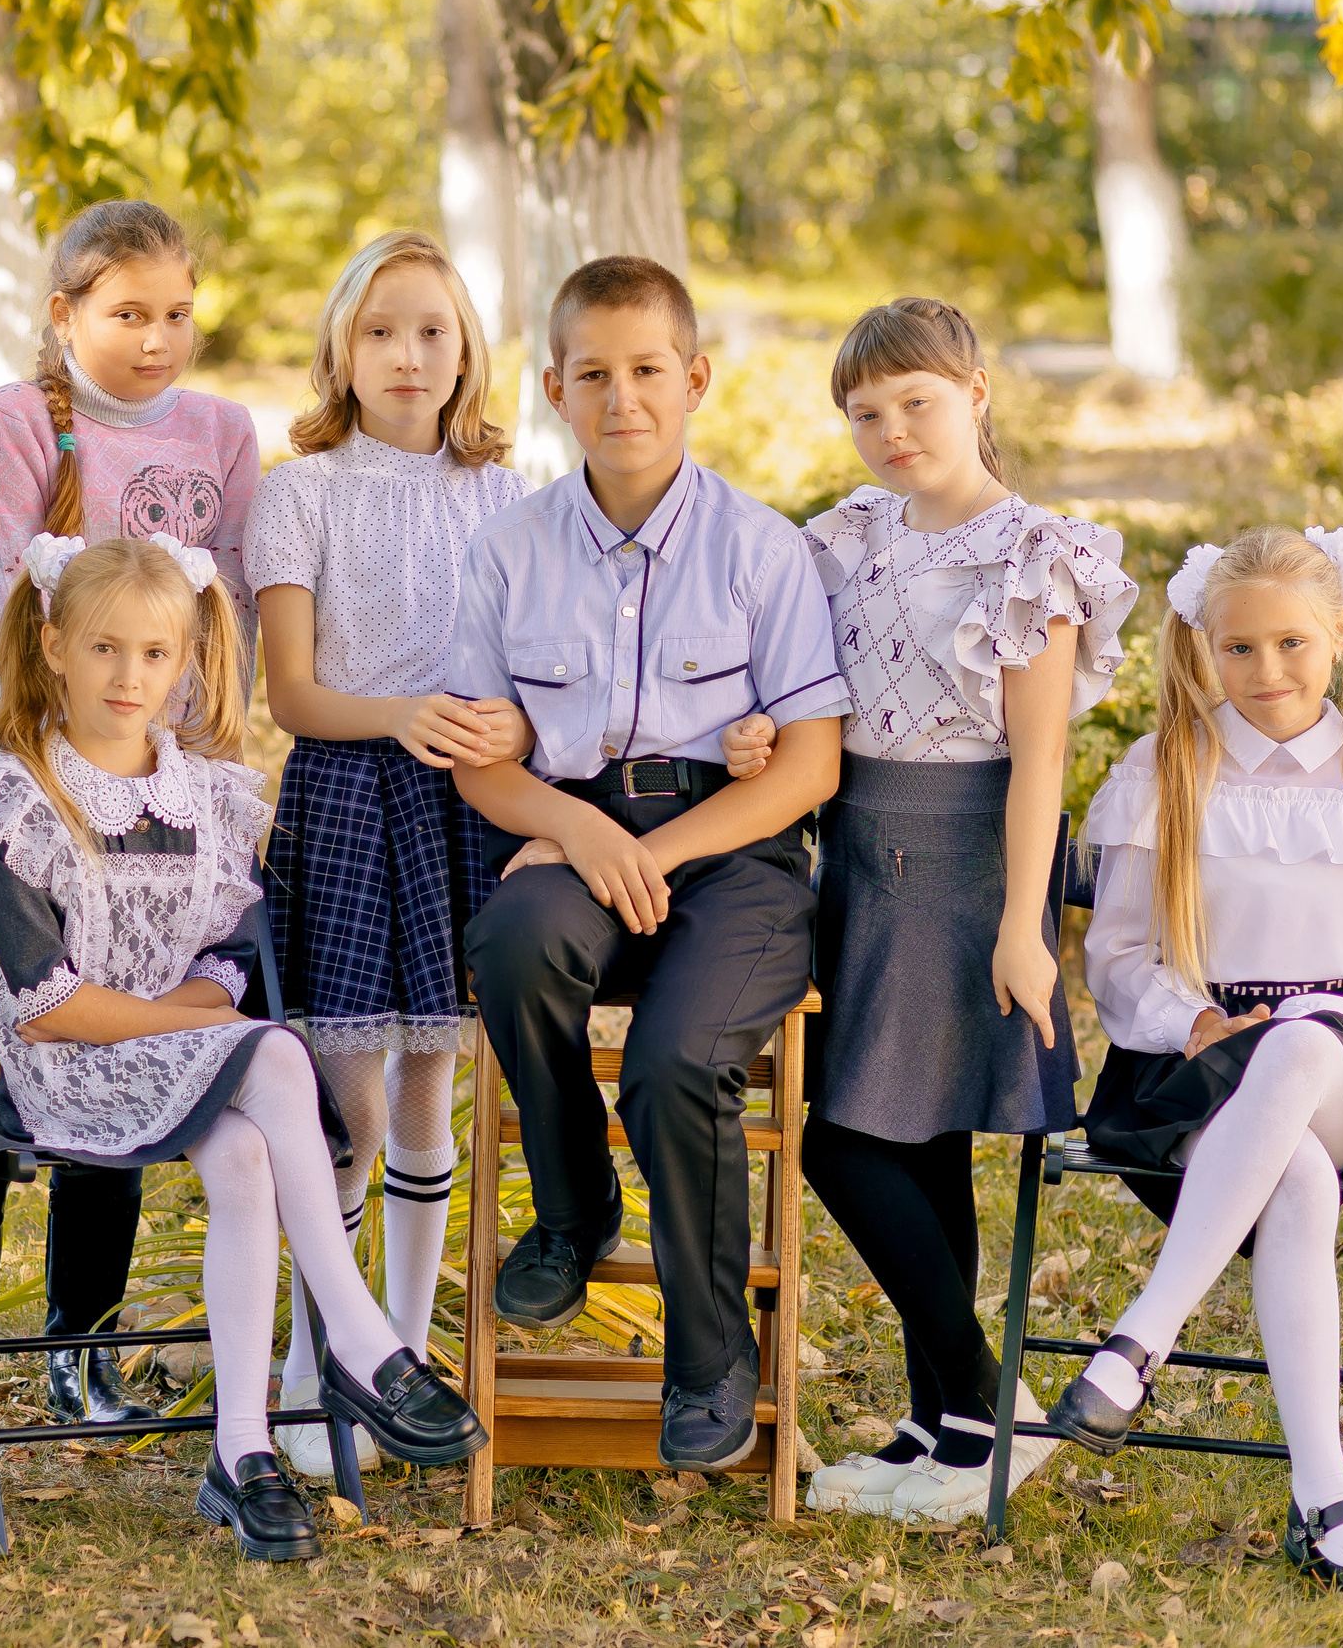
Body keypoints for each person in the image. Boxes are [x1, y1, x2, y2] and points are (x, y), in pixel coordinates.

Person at [0, 534, 486, 1561]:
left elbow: (228, 960)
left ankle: (242, 1451)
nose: (128, 676)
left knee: (242, 1152)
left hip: (180, 1060)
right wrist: (207, 1029)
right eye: (103, 648)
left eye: (154, 653)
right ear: (53, 648)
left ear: (184, 659)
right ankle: (363, 1341)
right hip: (66, 1076)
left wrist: (206, 1023)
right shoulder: (21, 800)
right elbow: (49, 1005)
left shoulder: (206, 798)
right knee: (272, 1054)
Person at [727, 298, 1138, 1522]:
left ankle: (987, 1402)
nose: (892, 430)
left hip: (965, 865)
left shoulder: (1030, 556)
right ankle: (943, 1428)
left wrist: (1023, 927)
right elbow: (806, 691)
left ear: (975, 393)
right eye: (865, 413)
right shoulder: (850, 535)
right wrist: (757, 734)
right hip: (856, 852)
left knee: (842, 1141)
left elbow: (1039, 761)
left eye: (916, 401)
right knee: (917, 1143)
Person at [446, 255, 849, 1473]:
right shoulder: (508, 549)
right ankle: (573, 1212)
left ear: (695, 380)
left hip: (732, 856)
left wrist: (649, 851)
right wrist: (582, 835)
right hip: (571, 832)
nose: (622, 398)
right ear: (555, 389)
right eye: (593, 375)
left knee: (676, 1063)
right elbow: (480, 765)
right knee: (513, 941)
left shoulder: (761, 551)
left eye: (647, 371)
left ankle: (709, 1356)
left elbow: (807, 767)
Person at [1045, 524, 1343, 1593]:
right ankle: (1329, 1504)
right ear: (1204, 646)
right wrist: (1190, 1019)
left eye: (1291, 643)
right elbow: (1119, 958)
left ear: (1341, 634)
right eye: (1238, 648)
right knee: (1297, 1183)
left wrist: (1302, 1025)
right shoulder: (1164, 769)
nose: (1266, 670)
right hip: (1193, 1070)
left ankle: (1139, 1341)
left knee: (1299, 1053)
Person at [0, 199, 263, 1428]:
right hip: (54, 782)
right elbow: (7, 608)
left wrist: (196, 779)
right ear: (64, 313)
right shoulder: (16, 424)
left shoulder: (222, 432)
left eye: (178, 314)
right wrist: (68, 767)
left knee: (148, 1022)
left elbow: (224, 619)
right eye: (129, 313)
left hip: (169, 792)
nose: (157, 339)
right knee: (90, 1025)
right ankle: (76, 1341)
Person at [247, 230, 533, 1477]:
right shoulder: (301, 492)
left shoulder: (507, 496)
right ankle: (324, 1358)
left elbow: (536, 668)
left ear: (465, 350)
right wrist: (403, 714)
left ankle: (407, 1359)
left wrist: (502, 729)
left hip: (469, 797)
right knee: (346, 1104)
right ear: (340, 352)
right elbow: (292, 695)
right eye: (379, 332)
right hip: (350, 793)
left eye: (430, 331)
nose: (407, 355)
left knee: (429, 1086)